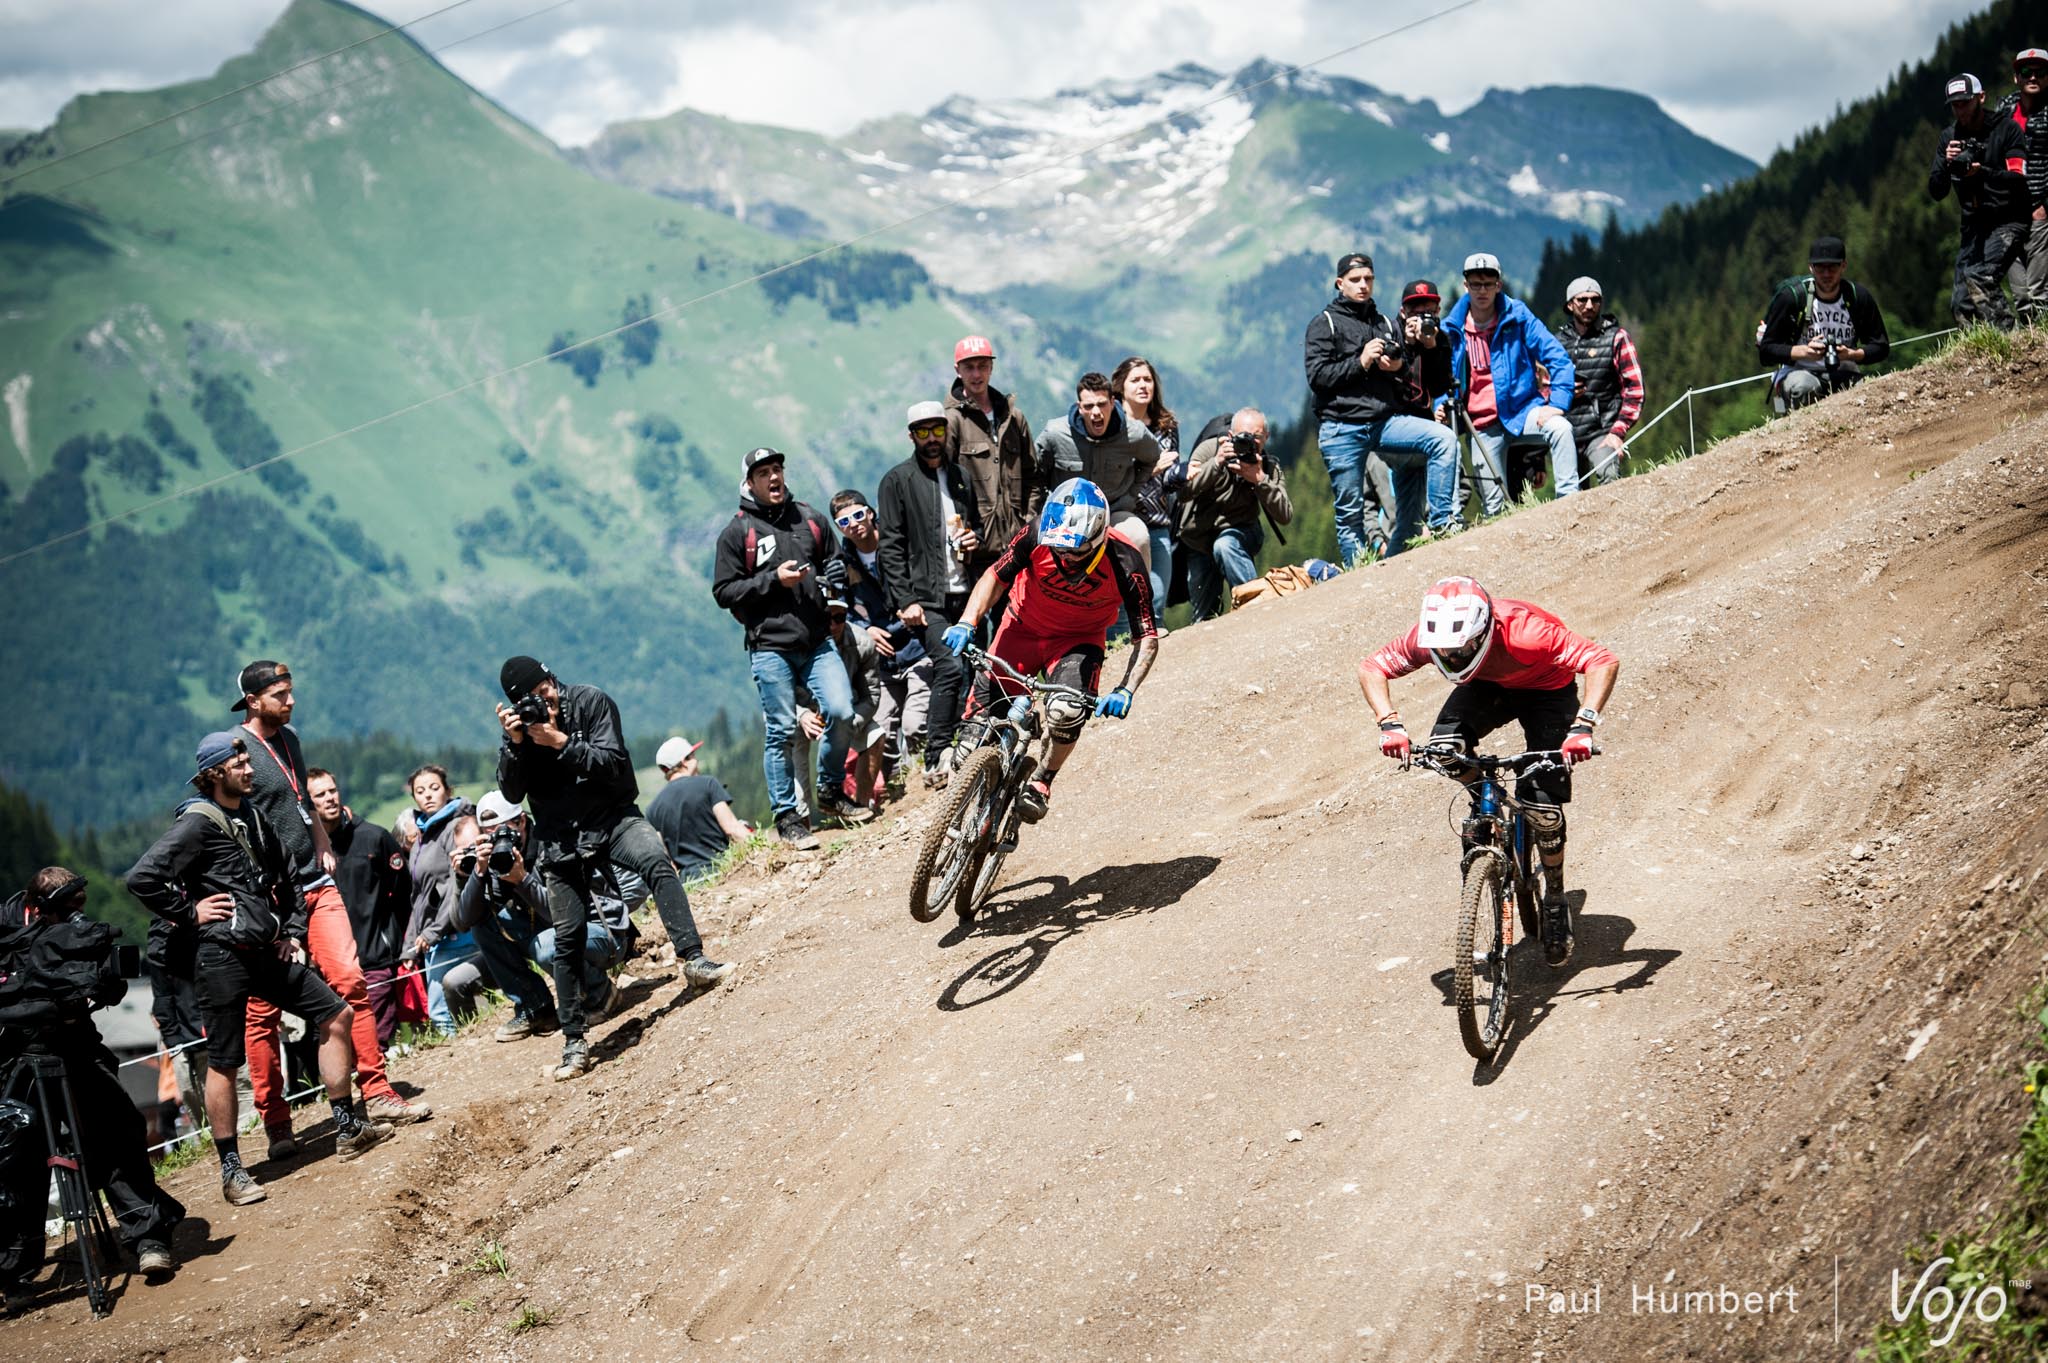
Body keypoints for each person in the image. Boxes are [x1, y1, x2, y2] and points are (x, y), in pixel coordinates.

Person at [126, 733, 394, 1206]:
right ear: (214, 773)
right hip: (220, 956)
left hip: (266, 949)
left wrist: (292, 930)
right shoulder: (197, 823)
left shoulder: (253, 815)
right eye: (239, 762)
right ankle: (232, 1171)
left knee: (336, 1015)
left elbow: (289, 873)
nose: (249, 768)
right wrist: (189, 912)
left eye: (248, 759)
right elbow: (143, 877)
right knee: (225, 1062)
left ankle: (347, 1126)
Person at [494, 656, 734, 1081]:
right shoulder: (521, 735)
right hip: (560, 839)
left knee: (656, 862)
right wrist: (516, 743)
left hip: (612, 818)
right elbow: (511, 792)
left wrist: (559, 742)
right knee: (567, 936)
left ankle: (694, 960)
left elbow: (614, 766)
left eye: (542, 691)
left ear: (550, 679)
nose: (540, 701)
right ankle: (574, 1041)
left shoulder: (590, 702)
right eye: (528, 700)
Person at [1359, 577, 1619, 965]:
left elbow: (1601, 660)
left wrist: (1583, 726)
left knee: (1544, 809)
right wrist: (1389, 722)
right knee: (1445, 751)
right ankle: (1486, 799)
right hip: (1486, 687)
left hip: (1547, 690)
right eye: (1443, 650)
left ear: (1483, 632)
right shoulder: (1431, 638)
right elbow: (1373, 666)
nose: (1452, 654)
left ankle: (1554, 895)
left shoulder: (1526, 632)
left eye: (1461, 647)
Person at [231, 662, 428, 1154]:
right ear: (253, 701)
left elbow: (300, 801)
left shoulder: (290, 740)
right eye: (280, 694)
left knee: (351, 982)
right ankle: (277, 1122)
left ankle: (377, 1091)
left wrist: (322, 839)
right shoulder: (237, 751)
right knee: (262, 1011)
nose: (291, 701)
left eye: (291, 691)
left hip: (317, 883)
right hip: (270, 896)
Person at [0, 869, 187, 1284]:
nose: (78, 914)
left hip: (76, 1045)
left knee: (117, 1134)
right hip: (19, 1057)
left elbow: (110, 979)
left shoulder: (77, 932)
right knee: (20, 1160)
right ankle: (16, 1271)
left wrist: (99, 982)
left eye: (81, 904)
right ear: (37, 907)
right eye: (69, 907)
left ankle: (148, 1238)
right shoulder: (6, 929)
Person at [943, 478, 1158, 824]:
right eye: (1059, 548)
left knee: (1066, 711)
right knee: (968, 744)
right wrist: (968, 621)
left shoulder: (1125, 562)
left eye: (1075, 550)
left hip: (1077, 641)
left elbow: (1146, 635)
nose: (1065, 557)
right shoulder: (1036, 534)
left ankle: (1042, 779)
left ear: (1099, 536)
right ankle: (950, 820)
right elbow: (996, 576)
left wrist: (1126, 689)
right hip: (1021, 628)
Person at [710, 446, 859, 846]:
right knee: (780, 731)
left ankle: (829, 791)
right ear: (750, 483)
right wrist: (773, 579)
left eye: (778, 470)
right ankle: (788, 817)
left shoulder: (808, 518)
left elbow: (833, 560)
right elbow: (724, 591)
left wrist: (832, 587)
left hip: (816, 640)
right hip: (769, 646)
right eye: (764, 473)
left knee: (842, 711)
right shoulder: (737, 532)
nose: (774, 478)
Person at [1304, 253, 1463, 563]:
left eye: (1368, 279)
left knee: (1443, 439)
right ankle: (1358, 577)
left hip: (1384, 422)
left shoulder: (1385, 323)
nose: (1363, 285)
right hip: (1340, 427)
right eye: (1355, 280)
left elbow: (1415, 377)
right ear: (1340, 284)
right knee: (1350, 514)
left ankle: (1443, 525)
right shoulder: (1324, 324)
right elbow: (1318, 377)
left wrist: (1398, 365)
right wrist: (1361, 361)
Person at [453, 793, 626, 1043]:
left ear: (522, 821)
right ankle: (536, 1008)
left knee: (547, 944)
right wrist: (476, 873)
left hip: (602, 934)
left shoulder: (553, 843)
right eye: (489, 832)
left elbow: (564, 915)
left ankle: (600, 994)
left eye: (504, 831)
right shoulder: (497, 859)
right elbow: (466, 919)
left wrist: (522, 880)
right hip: (558, 935)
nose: (500, 840)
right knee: (484, 925)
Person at [877, 403, 981, 788]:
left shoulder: (960, 477)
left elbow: (975, 528)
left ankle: (960, 748)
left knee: (968, 669)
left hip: (963, 591)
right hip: (925, 598)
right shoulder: (897, 481)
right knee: (950, 667)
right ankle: (936, 756)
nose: (932, 439)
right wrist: (905, 600)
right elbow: (889, 545)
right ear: (911, 436)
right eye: (923, 432)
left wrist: (974, 540)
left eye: (937, 430)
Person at [1443, 252, 1580, 517]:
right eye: (1475, 283)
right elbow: (1442, 378)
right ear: (1465, 285)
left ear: (1498, 284)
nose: (1482, 290)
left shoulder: (1517, 316)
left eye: (1488, 283)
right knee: (1494, 508)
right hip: (1480, 426)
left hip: (1522, 411)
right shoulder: (1451, 328)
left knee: (1561, 429)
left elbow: (1558, 359)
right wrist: (1440, 406)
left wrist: (1558, 404)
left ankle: (1569, 507)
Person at [830, 488, 928, 785]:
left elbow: (927, 576)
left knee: (914, 724)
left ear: (870, 513)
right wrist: (863, 630)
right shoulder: (841, 562)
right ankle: (893, 788)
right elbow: (838, 607)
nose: (854, 525)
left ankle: (920, 777)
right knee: (880, 733)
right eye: (844, 522)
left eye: (858, 515)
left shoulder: (899, 543)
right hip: (880, 658)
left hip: (918, 645)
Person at [308, 768, 410, 1050]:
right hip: (328, 969)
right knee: (336, 1046)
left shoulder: (374, 837)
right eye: (320, 795)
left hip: (375, 958)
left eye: (332, 791)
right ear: (307, 803)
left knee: (374, 1045)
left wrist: (391, 938)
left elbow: (403, 891)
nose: (330, 798)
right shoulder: (304, 851)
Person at [1033, 373, 1162, 576]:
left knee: (1138, 537)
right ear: (1078, 406)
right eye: (1088, 406)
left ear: (1112, 402)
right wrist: (1040, 510)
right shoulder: (1055, 434)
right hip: (1065, 517)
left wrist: (1131, 494)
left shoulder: (1134, 433)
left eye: (1102, 404)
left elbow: (1152, 457)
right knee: (1035, 541)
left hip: (1114, 511)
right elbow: (1036, 473)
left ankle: (1138, 602)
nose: (1096, 412)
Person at [1929, 73, 2031, 330]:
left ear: (1981, 97)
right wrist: (1946, 162)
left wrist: (1981, 171)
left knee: (1981, 277)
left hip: (2010, 218)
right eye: (1955, 104)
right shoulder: (1949, 136)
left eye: (1966, 102)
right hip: (1974, 224)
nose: (1960, 110)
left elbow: (2019, 179)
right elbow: (1936, 191)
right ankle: (1978, 353)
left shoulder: (2007, 129)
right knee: (1961, 302)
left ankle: (2011, 340)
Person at [1177, 408, 1293, 621]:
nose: (1250, 442)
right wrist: (1217, 463)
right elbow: (1184, 492)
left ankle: (1256, 609)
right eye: (1243, 437)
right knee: (1204, 616)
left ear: (1266, 437)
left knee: (1226, 545)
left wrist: (1259, 479)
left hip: (1241, 532)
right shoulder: (1209, 451)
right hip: (1199, 540)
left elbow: (1285, 515)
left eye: (1256, 437)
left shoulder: (1267, 465)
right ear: (1230, 436)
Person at [1756, 236, 1892, 414]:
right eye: (1820, 267)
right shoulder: (1792, 298)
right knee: (1805, 387)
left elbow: (1881, 346)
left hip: (1844, 370)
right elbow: (1766, 351)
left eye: (1833, 267)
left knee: (1869, 393)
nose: (1827, 274)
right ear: (1811, 267)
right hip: (1799, 373)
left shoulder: (1857, 297)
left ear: (1843, 266)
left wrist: (1851, 354)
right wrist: (1803, 352)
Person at [943, 335, 1039, 578]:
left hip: (1017, 545)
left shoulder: (1013, 418)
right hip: (975, 548)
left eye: (983, 366)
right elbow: (942, 481)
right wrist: (961, 530)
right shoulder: (951, 420)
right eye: (969, 367)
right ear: (958, 370)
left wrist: (1028, 521)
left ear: (991, 367)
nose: (977, 374)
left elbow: (1033, 477)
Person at [399, 764, 474, 1040]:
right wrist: (410, 946)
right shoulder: (421, 838)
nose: (428, 795)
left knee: (440, 1010)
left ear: (447, 791)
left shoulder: (455, 829)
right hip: (434, 939)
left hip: (455, 933)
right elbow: (419, 896)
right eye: (420, 791)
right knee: (448, 1007)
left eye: (434, 788)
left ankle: (461, 1062)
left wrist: (433, 932)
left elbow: (456, 885)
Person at [1550, 277, 1647, 486]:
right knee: (1570, 494)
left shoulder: (1617, 338)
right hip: (1566, 433)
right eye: (1582, 300)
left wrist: (1618, 432)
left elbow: (1635, 390)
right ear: (1569, 305)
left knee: (1609, 479)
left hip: (1603, 432)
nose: (1589, 306)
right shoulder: (1556, 344)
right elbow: (1542, 392)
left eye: (1595, 300)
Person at [1114, 356, 1186, 620]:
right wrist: (1150, 468)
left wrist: (1183, 473)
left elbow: (1168, 482)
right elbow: (1113, 475)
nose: (1143, 385)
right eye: (1135, 380)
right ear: (1121, 386)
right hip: (1121, 522)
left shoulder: (1166, 426)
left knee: (1155, 600)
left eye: (1148, 379)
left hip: (1157, 522)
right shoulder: (1112, 426)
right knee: (1122, 604)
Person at [645, 737, 751, 881]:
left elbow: (665, 858)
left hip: (689, 882)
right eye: (694, 756)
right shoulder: (708, 784)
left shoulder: (653, 809)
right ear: (684, 761)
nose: (697, 761)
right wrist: (764, 848)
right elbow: (732, 828)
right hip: (722, 872)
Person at [1995, 49, 2048, 323]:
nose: (2033, 77)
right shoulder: (2004, 108)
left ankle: (2043, 342)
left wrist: (2043, 206)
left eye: (2040, 71)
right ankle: (2031, 343)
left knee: (2039, 290)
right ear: (2016, 77)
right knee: (2021, 292)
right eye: (2027, 71)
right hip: (2006, 211)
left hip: (2039, 208)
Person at [824, 590, 888, 808]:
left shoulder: (863, 642)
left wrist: (850, 723)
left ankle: (862, 805)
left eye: (839, 618)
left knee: (876, 735)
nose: (833, 625)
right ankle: (799, 820)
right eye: (827, 618)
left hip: (848, 713)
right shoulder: (802, 639)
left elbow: (871, 694)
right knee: (792, 745)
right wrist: (804, 715)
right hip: (810, 715)